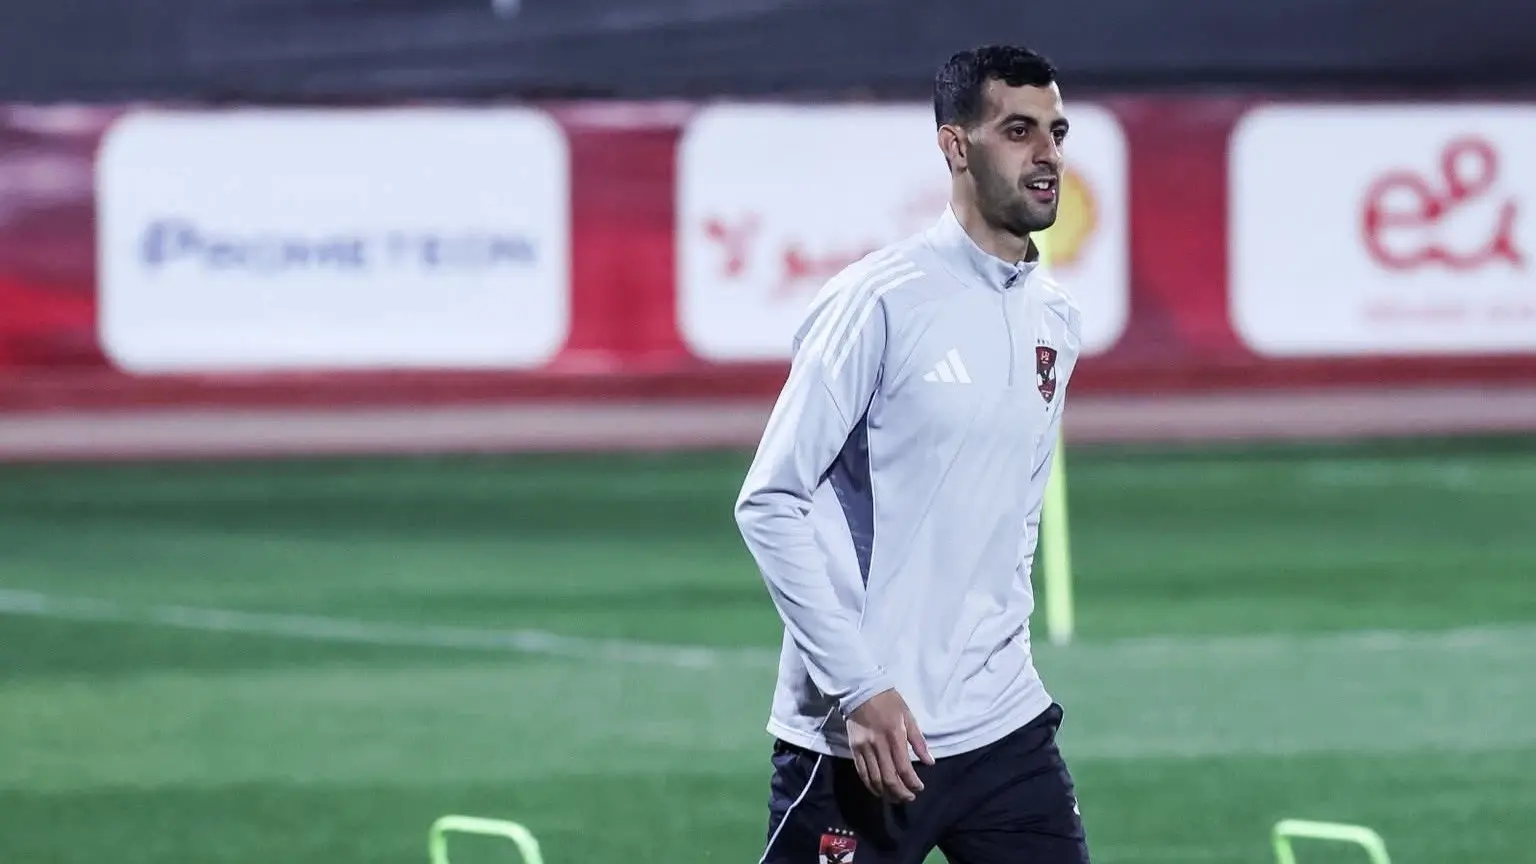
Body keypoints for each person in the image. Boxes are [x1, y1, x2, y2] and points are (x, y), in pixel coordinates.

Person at [733, 45, 1090, 864]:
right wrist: (859, 688)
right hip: (869, 737)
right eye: (1019, 131)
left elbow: (1013, 525)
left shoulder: (1056, 320)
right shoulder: (878, 302)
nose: (1048, 154)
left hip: (1003, 727)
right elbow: (769, 503)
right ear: (955, 146)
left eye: (1057, 132)